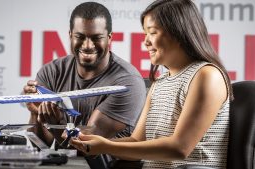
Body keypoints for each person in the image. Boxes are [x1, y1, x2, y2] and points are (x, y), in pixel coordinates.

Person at [71, 0, 233, 168]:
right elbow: (136, 141)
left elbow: (180, 148)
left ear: (178, 32)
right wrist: (93, 143)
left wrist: (106, 146)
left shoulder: (207, 75)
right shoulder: (159, 83)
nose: (145, 42)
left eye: (153, 32)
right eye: (145, 34)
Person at [23, 1, 146, 168]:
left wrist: (56, 124)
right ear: (70, 35)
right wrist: (36, 113)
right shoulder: (50, 72)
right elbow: (40, 145)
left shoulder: (127, 81)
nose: (87, 45)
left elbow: (88, 147)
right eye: (80, 37)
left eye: (96, 38)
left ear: (109, 38)